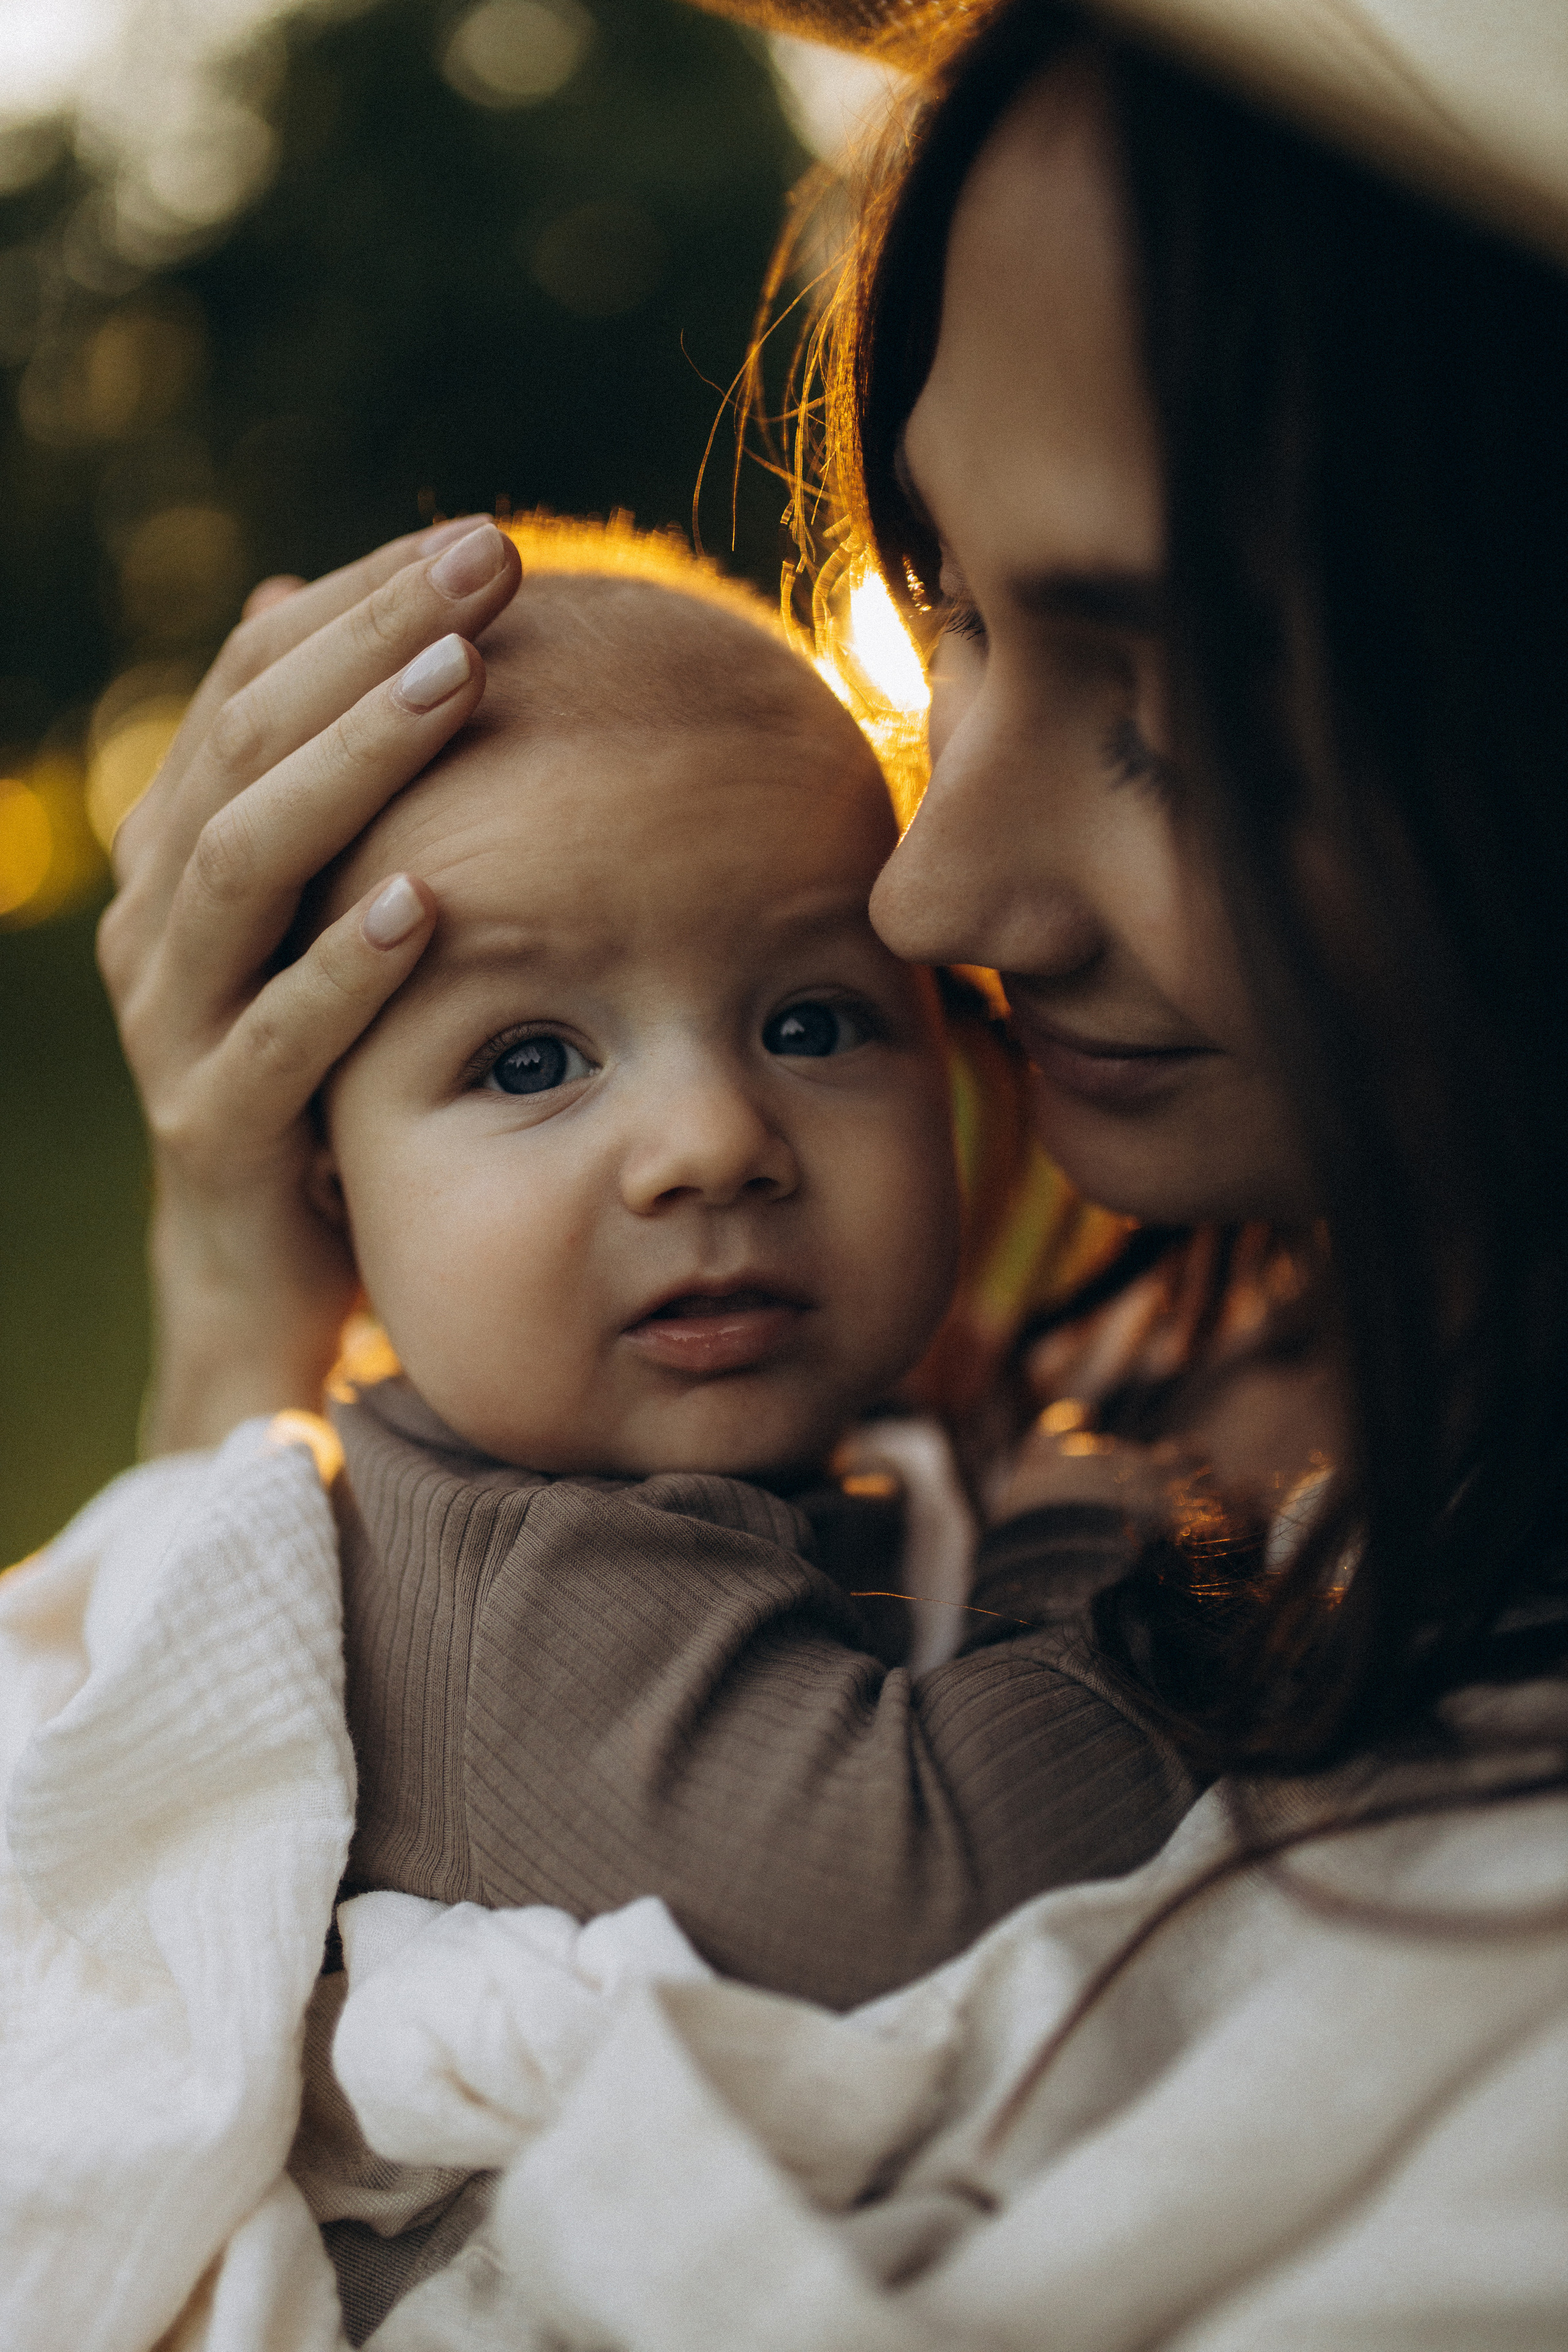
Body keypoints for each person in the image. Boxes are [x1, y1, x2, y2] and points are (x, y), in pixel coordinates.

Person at [55, 0, 1568, 2341]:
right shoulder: (530, 1547)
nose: (936, 903)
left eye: (1179, 713)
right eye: (946, 617)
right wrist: (237, 1358)